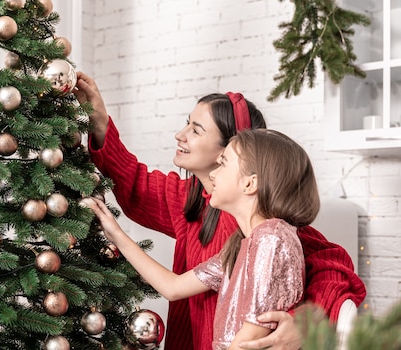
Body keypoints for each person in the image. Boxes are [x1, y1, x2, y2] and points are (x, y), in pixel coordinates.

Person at [73, 72, 366, 350]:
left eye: (196, 130)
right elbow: (135, 184)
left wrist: (306, 322)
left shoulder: (266, 228)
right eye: (186, 124)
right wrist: (99, 122)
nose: (180, 135)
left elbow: (332, 266)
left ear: (234, 149)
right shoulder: (193, 200)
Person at [86, 128, 320, 349]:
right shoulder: (242, 244)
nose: (214, 174)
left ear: (250, 183)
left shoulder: (271, 240)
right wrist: (115, 233)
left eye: (223, 164)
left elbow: (247, 342)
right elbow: (173, 287)